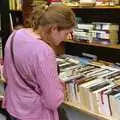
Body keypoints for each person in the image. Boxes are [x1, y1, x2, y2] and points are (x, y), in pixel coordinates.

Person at [3, 3, 76, 120]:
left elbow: (6, 75)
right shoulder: (44, 51)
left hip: (14, 108)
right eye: (66, 33)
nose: (66, 38)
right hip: (35, 113)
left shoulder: (15, 35)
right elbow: (52, 101)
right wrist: (60, 88)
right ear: (53, 28)